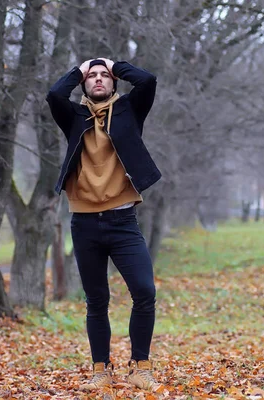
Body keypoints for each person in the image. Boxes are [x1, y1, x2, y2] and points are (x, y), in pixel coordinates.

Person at [46, 58, 162, 392]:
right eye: (92, 77)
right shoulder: (74, 117)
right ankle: (101, 371)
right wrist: (78, 71)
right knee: (96, 300)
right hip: (84, 224)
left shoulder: (129, 110)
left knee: (144, 291)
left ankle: (140, 367)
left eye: (104, 76)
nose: (98, 80)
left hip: (123, 220)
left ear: (114, 83)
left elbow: (148, 81)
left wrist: (116, 65)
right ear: (84, 84)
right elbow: (55, 95)